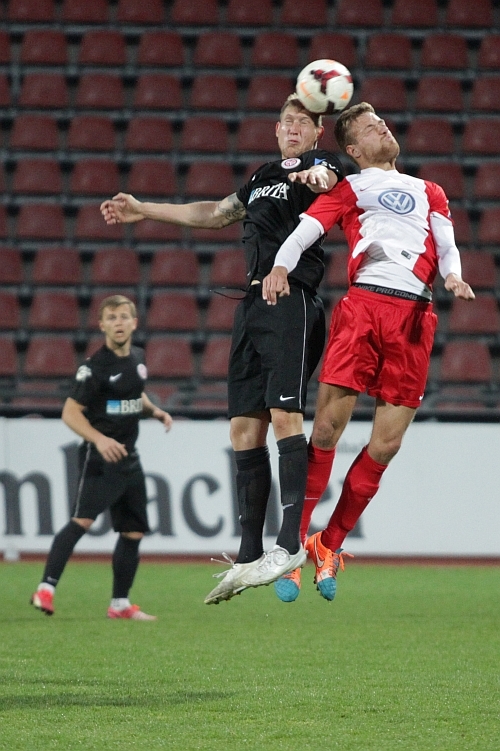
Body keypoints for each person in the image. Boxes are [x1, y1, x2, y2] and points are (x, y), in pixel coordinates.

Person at [100, 95, 345, 604]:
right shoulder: (260, 177)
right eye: (287, 121)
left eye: (303, 122)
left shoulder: (322, 164)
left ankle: (289, 544)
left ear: (317, 132)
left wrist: (316, 176)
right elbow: (215, 213)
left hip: (292, 297)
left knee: (285, 416)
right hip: (252, 303)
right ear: (275, 130)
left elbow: (329, 181)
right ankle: (249, 553)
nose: (293, 128)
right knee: (243, 429)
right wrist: (144, 209)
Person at [262, 102, 475, 603]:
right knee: (325, 432)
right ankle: (292, 547)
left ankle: (329, 543)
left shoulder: (430, 190)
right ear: (354, 149)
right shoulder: (351, 187)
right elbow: (305, 231)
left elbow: (446, 243)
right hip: (363, 308)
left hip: (414, 316)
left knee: (386, 445)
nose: (383, 126)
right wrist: (280, 267)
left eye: (382, 120)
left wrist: (452, 276)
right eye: (370, 126)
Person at [31, 295, 173, 619]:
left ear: (134, 323)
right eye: (111, 318)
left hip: (129, 458)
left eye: (123, 317)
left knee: (133, 530)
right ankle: (45, 589)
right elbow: (70, 412)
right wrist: (99, 439)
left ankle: (119, 604)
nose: (118, 323)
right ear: (102, 325)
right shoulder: (93, 368)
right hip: (99, 458)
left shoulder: (138, 357)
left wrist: (155, 411)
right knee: (81, 521)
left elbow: (135, 394)